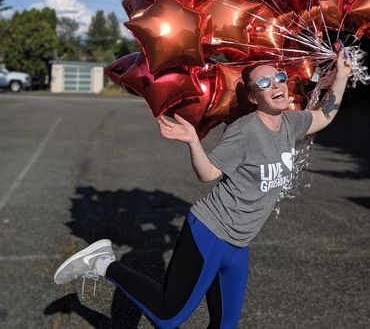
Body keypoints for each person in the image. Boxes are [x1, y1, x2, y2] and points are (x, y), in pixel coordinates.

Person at [53, 50, 351, 329]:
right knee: (169, 317)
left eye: (280, 78)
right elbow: (208, 174)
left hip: (239, 244)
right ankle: (102, 262)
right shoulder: (246, 130)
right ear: (253, 95)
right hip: (210, 232)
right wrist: (194, 142)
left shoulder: (291, 123)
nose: (276, 85)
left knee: (225, 325)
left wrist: (342, 77)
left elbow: (325, 115)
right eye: (264, 81)